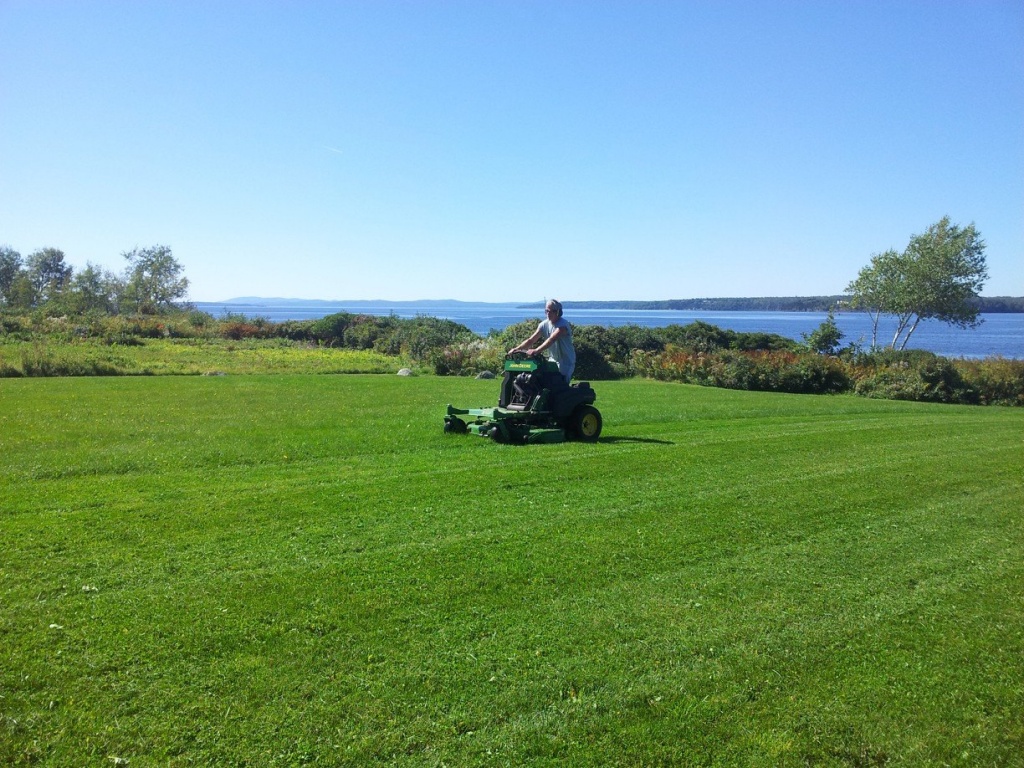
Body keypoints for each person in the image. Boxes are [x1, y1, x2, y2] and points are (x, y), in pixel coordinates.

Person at [510, 299, 576, 382]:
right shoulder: (543, 325)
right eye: (547, 311)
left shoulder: (562, 325)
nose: (548, 313)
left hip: (566, 361)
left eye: (552, 311)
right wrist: (517, 349)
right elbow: (531, 340)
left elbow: (551, 339)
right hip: (552, 360)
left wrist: (536, 350)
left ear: (558, 312)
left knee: (560, 385)